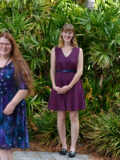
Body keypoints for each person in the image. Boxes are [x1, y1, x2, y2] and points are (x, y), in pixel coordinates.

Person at [0, 32, 34, 160]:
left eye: (7, 44)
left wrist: (12, 104)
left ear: (12, 46)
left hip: (8, 110)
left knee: (5, 145)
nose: (4, 46)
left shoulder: (17, 64)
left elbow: (25, 88)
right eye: (1, 44)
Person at [48, 23, 85, 158]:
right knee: (61, 116)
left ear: (73, 34)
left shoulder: (78, 51)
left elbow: (80, 71)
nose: (67, 35)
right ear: (62, 34)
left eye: (70, 33)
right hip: (58, 84)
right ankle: (64, 145)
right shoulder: (55, 50)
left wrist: (69, 86)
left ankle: (73, 147)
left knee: (73, 116)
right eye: (65, 32)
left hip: (73, 85)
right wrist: (54, 85)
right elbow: (52, 70)